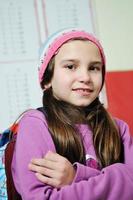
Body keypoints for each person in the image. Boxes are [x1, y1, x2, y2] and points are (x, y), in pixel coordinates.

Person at [12, 28, 133, 200]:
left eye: (94, 68)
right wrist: (120, 176)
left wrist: (76, 177)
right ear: (47, 79)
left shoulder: (119, 128)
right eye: (70, 66)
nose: (85, 76)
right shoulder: (36, 124)